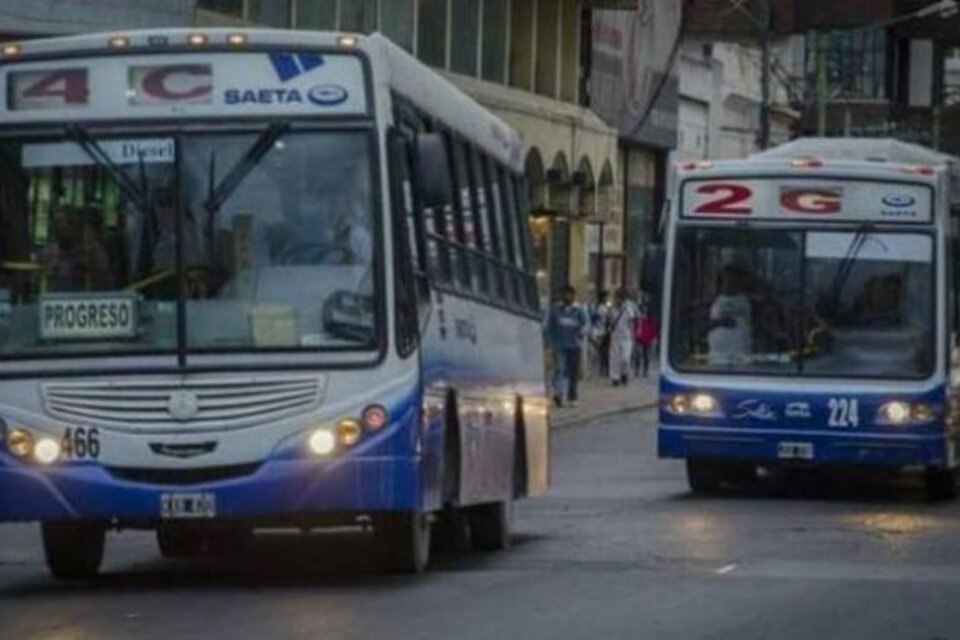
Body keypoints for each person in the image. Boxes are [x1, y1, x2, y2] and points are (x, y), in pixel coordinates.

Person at [546, 285, 589, 407]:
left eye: (569, 294)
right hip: (559, 344)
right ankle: (558, 394)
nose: (567, 297)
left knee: (572, 373)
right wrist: (548, 341)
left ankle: (572, 397)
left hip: (574, 345)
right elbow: (550, 326)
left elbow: (586, 324)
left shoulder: (579, 310)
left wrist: (581, 333)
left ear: (573, 296)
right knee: (559, 369)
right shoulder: (556, 309)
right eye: (565, 294)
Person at [707, 264, 753, 362]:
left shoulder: (746, 302)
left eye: (732, 279)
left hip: (740, 355)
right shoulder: (714, 301)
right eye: (726, 279)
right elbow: (707, 325)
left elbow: (740, 323)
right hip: (717, 356)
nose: (728, 282)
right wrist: (718, 322)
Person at [608, 288, 638, 386]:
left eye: (620, 298)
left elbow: (632, 322)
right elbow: (609, 322)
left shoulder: (628, 310)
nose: (618, 300)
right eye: (617, 297)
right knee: (614, 358)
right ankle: (615, 378)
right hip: (615, 336)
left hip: (626, 337)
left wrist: (634, 335)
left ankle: (624, 373)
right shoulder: (612, 309)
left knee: (625, 358)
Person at [635, 293, 658, 377]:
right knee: (638, 354)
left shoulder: (650, 318)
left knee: (645, 355)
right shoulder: (638, 315)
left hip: (647, 338)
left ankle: (645, 370)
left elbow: (653, 327)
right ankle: (637, 369)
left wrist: (653, 337)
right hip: (639, 337)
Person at [589, 290, 611, 377]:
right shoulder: (600, 308)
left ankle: (603, 369)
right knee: (604, 351)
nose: (606, 299)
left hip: (601, 332)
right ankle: (603, 368)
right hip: (601, 332)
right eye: (605, 297)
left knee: (603, 351)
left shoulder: (599, 308)